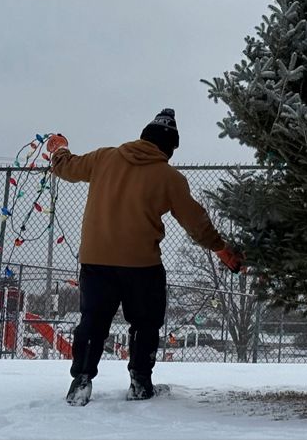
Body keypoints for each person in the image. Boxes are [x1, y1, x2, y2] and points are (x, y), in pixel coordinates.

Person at [48, 109, 244, 406]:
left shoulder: (104, 158)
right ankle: (140, 382)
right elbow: (197, 223)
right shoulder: (169, 177)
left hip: (95, 260)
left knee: (93, 321)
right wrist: (221, 248)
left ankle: (81, 382)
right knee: (145, 322)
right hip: (141, 264)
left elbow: (68, 167)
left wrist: (59, 148)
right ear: (169, 147)